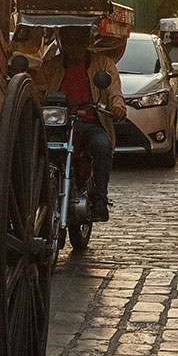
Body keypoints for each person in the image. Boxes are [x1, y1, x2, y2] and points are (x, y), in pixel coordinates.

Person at [34, 24, 127, 222]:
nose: (75, 47)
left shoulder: (104, 65)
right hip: (57, 125)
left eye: (79, 42)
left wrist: (118, 107)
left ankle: (100, 198)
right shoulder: (49, 66)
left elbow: (114, 93)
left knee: (102, 146)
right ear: (63, 43)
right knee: (36, 150)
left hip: (91, 123)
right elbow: (38, 93)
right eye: (70, 42)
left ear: (87, 42)